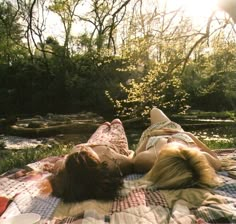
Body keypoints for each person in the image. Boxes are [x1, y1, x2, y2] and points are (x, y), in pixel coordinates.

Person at [40, 119, 134, 202]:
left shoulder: (66, 169)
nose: (82, 150)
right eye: (84, 154)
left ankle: (107, 124)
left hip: (92, 141)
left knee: (105, 124)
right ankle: (114, 123)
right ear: (96, 165)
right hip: (114, 142)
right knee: (116, 122)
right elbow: (131, 159)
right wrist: (130, 152)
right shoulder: (112, 163)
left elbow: (57, 167)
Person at [133, 107, 222, 189]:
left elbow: (135, 156)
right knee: (155, 110)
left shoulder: (148, 159)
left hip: (155, 133)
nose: (171, 140)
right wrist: (189, 135)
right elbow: (216, 160)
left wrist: (150, 135)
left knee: (154, 110)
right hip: (179, 132)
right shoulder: (199, 160)